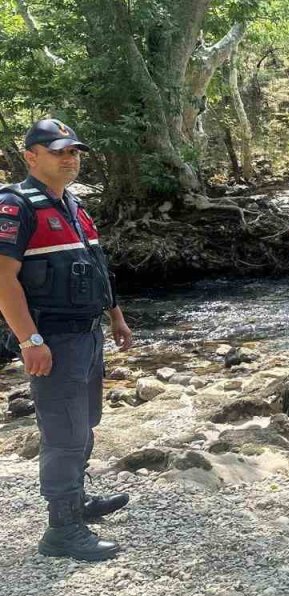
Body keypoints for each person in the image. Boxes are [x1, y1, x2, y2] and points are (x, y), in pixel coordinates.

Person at [0, 118, 133, 561]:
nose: (69, 159)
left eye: (73, 151)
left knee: (85, 422)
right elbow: (3, 279)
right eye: (58, 151)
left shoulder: (74, 207)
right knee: (63, 433)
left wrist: (115, 317)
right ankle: (62, 529)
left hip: (87, 334)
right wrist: (29, 339)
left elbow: (96, 268)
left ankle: (77, 500)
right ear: (31, 156)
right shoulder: (16, 206)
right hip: (53, 338)